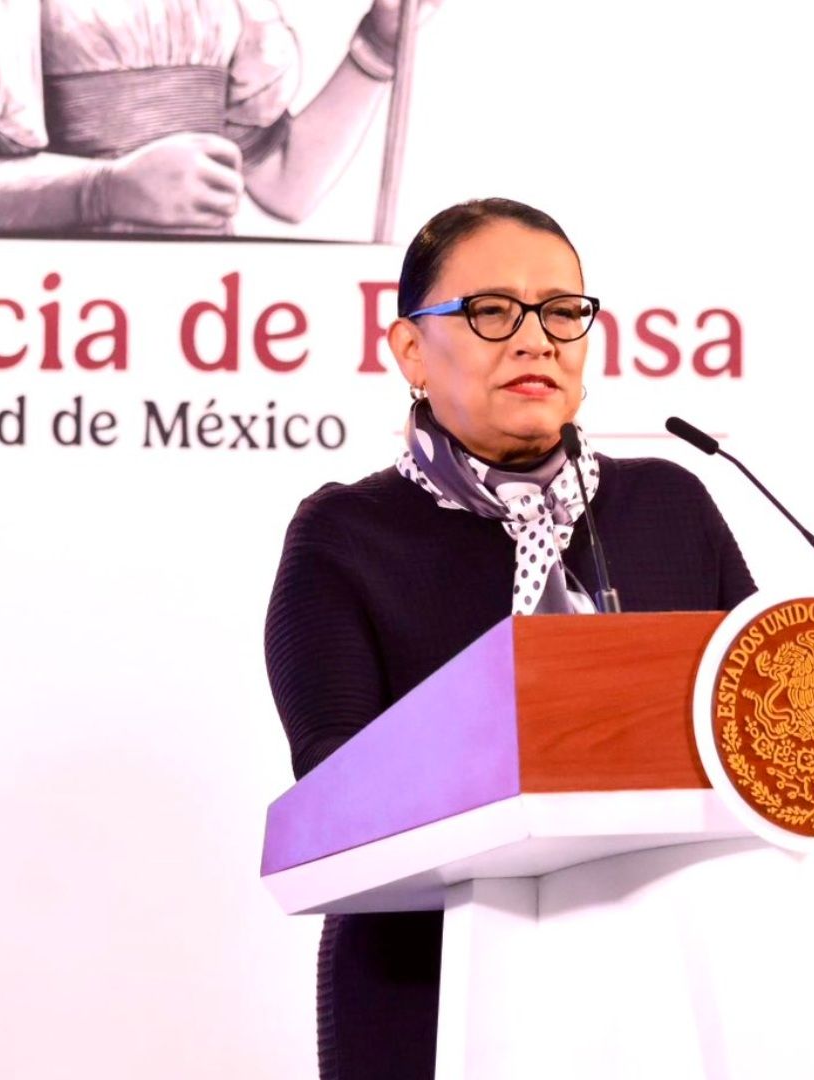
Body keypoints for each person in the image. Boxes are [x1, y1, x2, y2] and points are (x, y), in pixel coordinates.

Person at [263, 197, 755, 1079]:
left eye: (562, 312)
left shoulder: (669, 507)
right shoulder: (346, 536)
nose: (536, 340)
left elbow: (756, 731)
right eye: (492, 311)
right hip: (427, 983)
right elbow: (341, 797)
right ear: (411, 350)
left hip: (661, 976)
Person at [0, 0, 440, 235]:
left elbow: (284, 185)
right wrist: (106, 189)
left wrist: (376, 49)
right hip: (31, 327)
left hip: (190, 324)